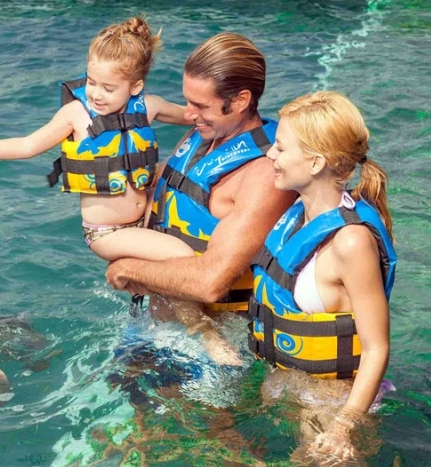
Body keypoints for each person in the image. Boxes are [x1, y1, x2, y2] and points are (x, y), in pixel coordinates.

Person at [0, 16, 194, 263]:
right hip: (108, 233)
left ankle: (163, 301)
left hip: (146, 213)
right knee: (182, 255)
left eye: (108, 88)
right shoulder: (76, 115)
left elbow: (193, 116)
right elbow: (26, 146)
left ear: (135, 87)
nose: (96, 94)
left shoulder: (148, 107)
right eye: (91, 82)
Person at [105, 33, 297, 359]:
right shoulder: (203, 136)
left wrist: (127, 269)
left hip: (212, 350)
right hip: (157, 326)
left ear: (240, 100)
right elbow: (163, 190)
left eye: (201, 106)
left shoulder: (265, 174)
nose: (188, 114)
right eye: (187, 101)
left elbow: (210, 283)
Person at [249, 90, 397, 467]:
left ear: (315, 162)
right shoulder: (298, 213)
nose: (270, 155)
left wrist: (343, 428)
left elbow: (377, 348)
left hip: (334, 406)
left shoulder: (350, 243)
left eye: (281, 148)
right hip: (293, 390)